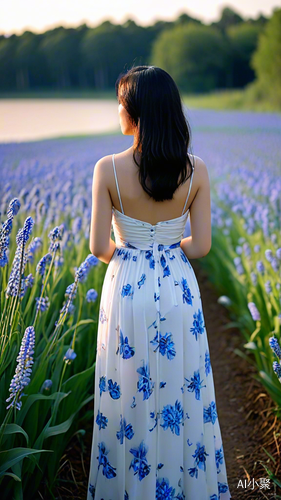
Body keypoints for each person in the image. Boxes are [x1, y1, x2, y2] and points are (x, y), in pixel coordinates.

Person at [87, 65, 231, 500]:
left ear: (135, 110)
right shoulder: (197, 170)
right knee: (181, 387)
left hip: (126, 286)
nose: (117, 109)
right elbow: (201, 245)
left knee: (127, 389)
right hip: (178, 289)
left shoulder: (107, 169)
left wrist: (132, 259)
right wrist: (165, 252)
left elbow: (97, 246)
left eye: (120, 102)